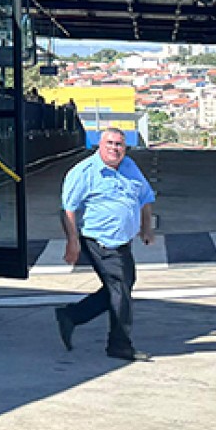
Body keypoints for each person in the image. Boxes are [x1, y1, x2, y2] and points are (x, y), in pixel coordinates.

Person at [54, 128, 156, 362]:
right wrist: (72, 242)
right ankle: (119, 344)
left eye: (119, 144)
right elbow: (68, 209)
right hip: (100, 241)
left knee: (121, 287)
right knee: (120, 291)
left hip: (123, 242)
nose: (114, 148)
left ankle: (72, 315)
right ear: (98, 145)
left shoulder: (129, 166)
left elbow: (145, 198)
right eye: (109, 143)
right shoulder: (84, 172)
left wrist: (146, 228)